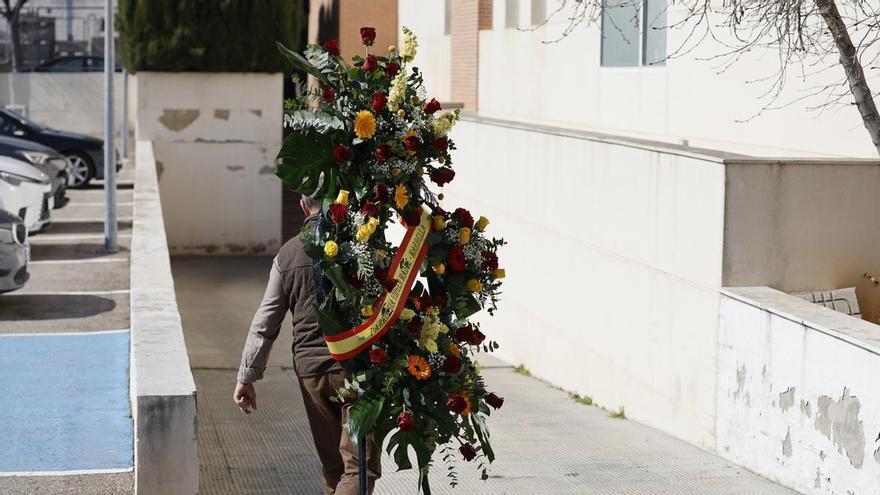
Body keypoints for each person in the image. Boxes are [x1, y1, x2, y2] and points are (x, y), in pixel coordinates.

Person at [233, 193, 381, 494]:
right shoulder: (358, 244)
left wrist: (246, 376)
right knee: (357, 469)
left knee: (334, 468)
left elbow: (266, 321)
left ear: (303, 206)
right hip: (354, 371)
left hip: (310, 373)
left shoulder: (287, 254)